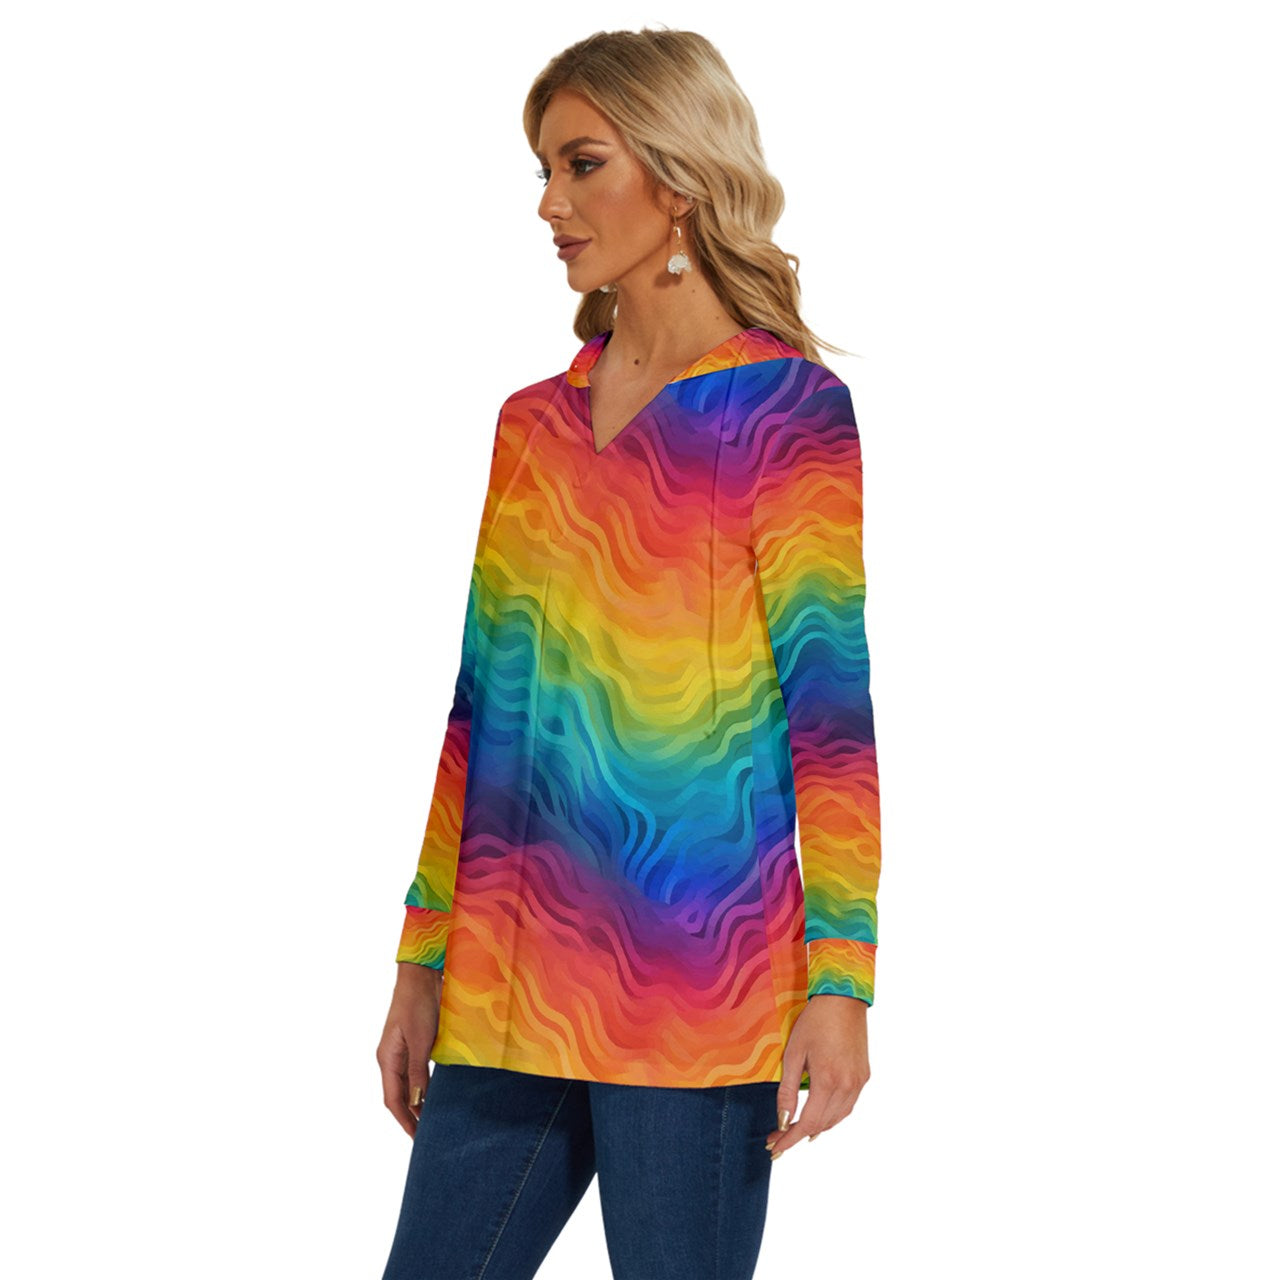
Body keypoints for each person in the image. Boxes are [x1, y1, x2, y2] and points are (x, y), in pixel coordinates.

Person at [377, 26, 881, 1280]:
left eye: (580, 164)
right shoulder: (531, 426)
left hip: (694, 994)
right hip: (504, 985)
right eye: (545, 169)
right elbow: (477, 712)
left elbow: (828, 720)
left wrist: (842, 978)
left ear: (680, 176)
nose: (548, 203)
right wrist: (420, 953)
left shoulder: (785, 411)